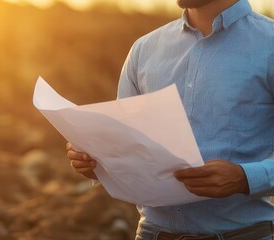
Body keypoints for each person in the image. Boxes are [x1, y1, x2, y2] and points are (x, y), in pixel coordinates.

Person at [66, 0, 274, 239]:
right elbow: (126, 149)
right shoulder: (144, 50)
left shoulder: (269, 44)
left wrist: (244, 178)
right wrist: (96, 163)